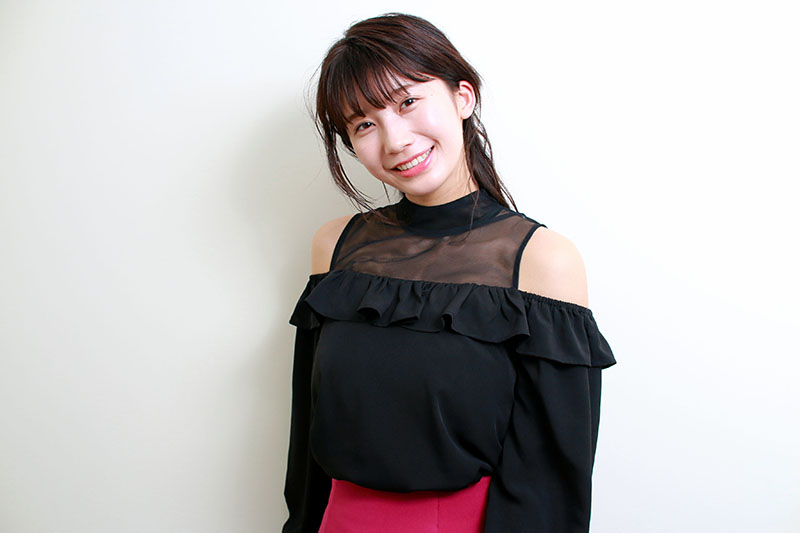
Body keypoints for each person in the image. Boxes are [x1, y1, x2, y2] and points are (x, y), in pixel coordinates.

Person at [282, 13, 616, 533]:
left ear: (463, 96)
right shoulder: (335, 247)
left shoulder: (542, 260)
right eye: (363, 124)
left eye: (407, 102)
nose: (394, 140)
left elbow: (550, 482)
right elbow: (307, 442)